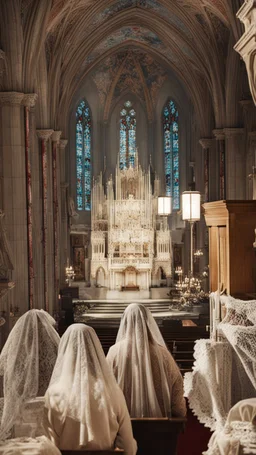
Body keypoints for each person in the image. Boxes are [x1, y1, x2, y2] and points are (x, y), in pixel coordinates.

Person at [44, 324, 137, 454]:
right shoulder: (113, 392)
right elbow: (129, 446)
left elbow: (49, 447)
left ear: (65, 352)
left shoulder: (53, 394)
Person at [107, 303, 186, 418]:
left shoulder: (114, 352)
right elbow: (177, 385)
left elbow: (106, 385)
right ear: (147, 322)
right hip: (159, 424)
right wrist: (179, 414)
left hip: (124, 426)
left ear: (125, 322)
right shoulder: (163, 353)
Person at [0, 309, 60, 440]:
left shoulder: (16, 355)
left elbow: (9, 381)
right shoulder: (55, 351)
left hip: (22, 413)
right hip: (51, 413)